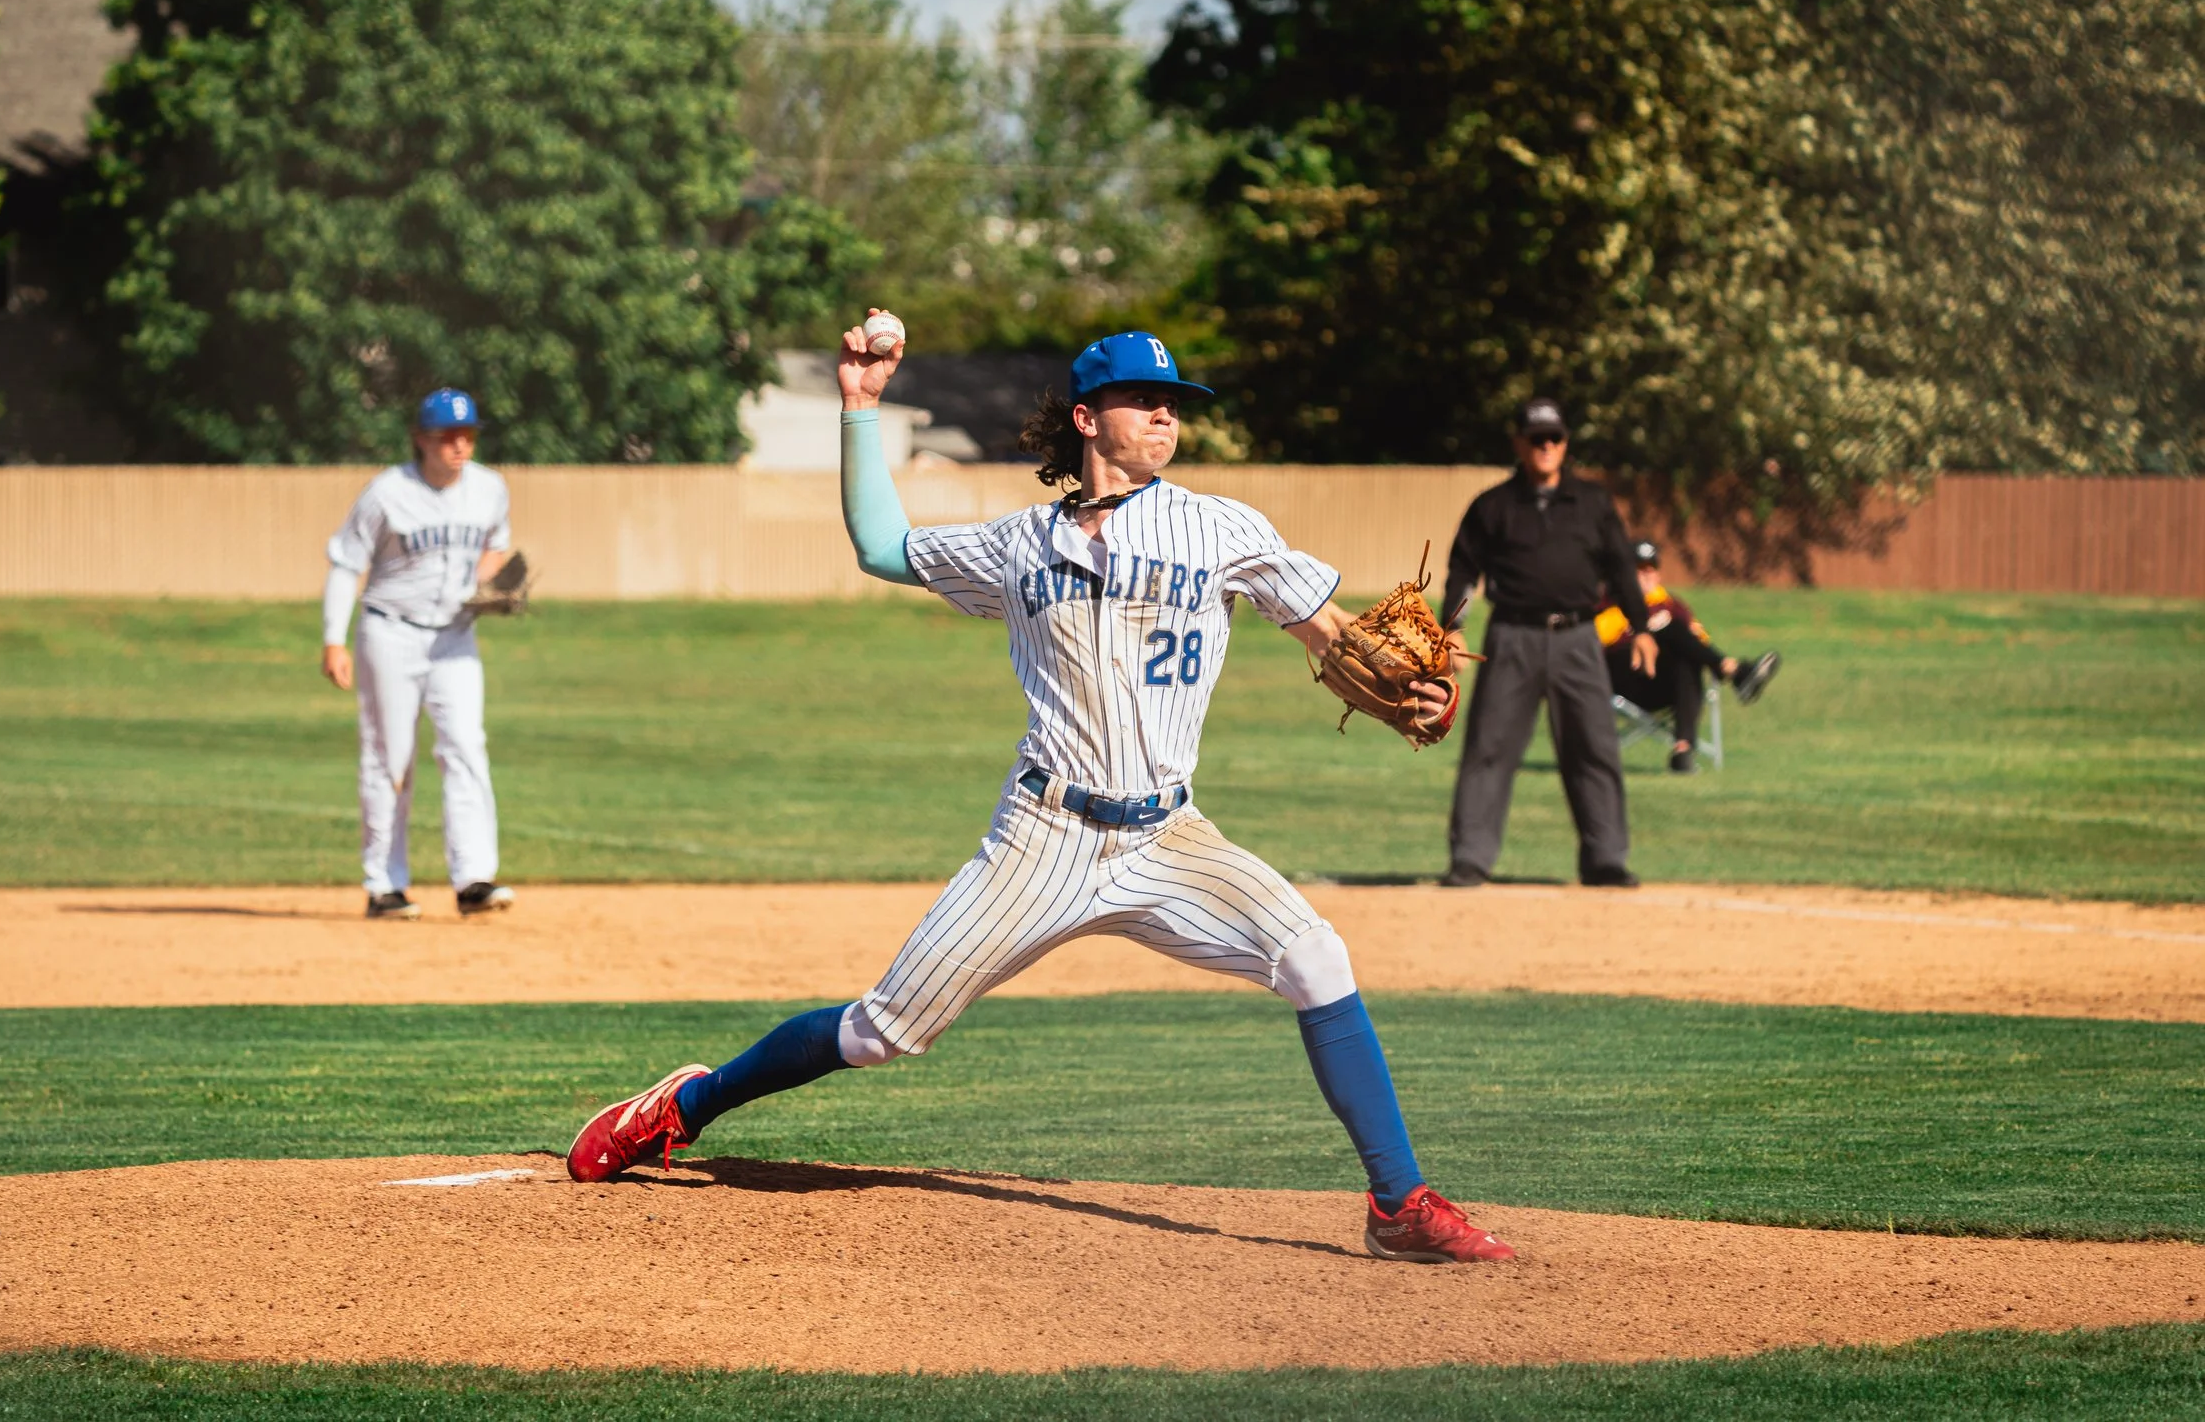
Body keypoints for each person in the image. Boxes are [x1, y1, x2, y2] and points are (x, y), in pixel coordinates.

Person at [564, 325, 1515, 1264]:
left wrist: (1406, 686)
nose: (1165, 415)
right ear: (1087, 418)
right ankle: (685, 1104)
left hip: (1171, 837)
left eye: (1174, 403)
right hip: (1043, 838)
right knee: (880, 1032)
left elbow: (1335, 634)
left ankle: (1399, 1202)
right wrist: (859, 406)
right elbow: (884, 547)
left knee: (1314, 954)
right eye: (1144, 399)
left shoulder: (1224, 527)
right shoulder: (1017, 545)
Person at [320, 388, 520, 921]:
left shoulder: (489, 488)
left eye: (467, 434)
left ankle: (474, 879)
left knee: (466, 747)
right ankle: (385, 885)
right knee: (390, 758)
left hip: (455, 637)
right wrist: (334, 639)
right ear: (420, 439)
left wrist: (486, 582)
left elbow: (496, 545)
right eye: (446, 436)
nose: (459, 445)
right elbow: (345, 563)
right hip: (391, 633)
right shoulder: (387, 493)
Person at [1438, 399, 1654, 889]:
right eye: (1536, 439)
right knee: (1489, 746)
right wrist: (1451, 625)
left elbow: (1621, 567)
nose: (1546, 447)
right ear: (1519, 443)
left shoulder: (1592, 502)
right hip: (1512, 637)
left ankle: (1605, 859)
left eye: (1554, 438)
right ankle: (1470, 857)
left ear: (1566, 442)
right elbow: (1463, 569)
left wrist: (1640, 627)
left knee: (1594, 747)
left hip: (1578, 638)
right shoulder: (1493, 505)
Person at [1596, 539, 1781, 773]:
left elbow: (1698, 641)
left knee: (1686, 656)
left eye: (1651, 569)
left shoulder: (1672, 606)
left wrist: (1665, 624)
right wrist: (1644, 626)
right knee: (1668, 627)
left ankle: (1682, 752)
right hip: (1623, 681)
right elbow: (1595, 641)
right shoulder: (1607, 603)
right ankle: (1734, 671)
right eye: (1639, 570)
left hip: (1663, 686)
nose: (1646, 576)